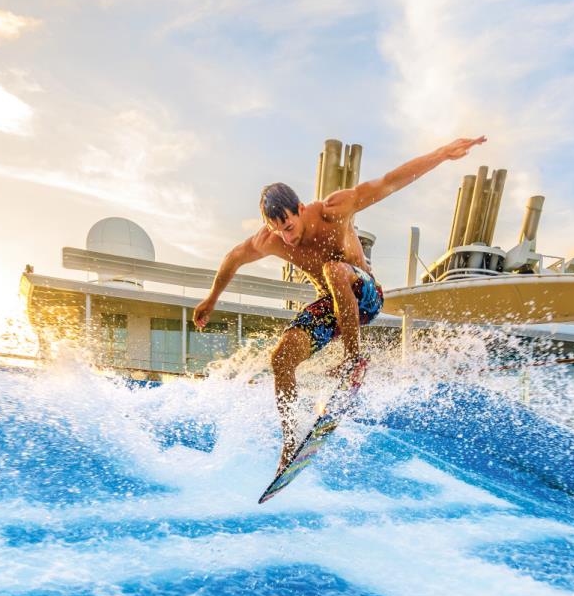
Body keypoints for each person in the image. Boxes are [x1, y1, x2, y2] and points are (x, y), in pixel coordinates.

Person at [193, 136, 487, 466]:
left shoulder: (336, 209)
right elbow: (233, 257)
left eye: (290, 226)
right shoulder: (269, 240)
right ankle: (290, 443)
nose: (288, 237)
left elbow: (391, 181)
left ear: (301, 209)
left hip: (366, 296)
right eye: (279, 231)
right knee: (282, 359)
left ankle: (353, 362)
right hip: (332, 307)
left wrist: (442, 154)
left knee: (333, 269)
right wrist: (211, 299)